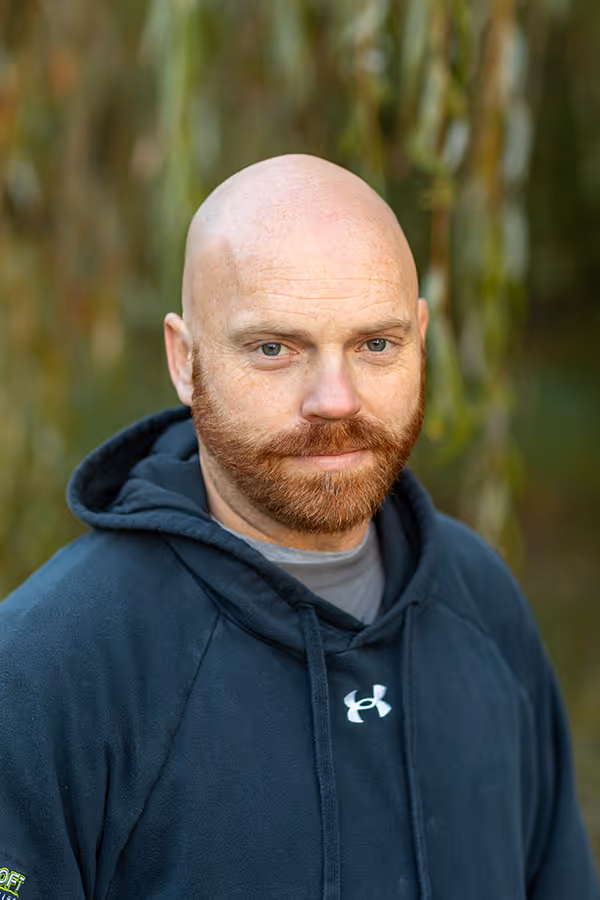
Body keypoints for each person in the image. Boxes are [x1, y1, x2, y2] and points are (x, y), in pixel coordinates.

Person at [0, 154, 597, 900]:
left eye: (376, 345)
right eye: (275, 349)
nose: (336, 399)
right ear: (185, 361)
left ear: (420, 336)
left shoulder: (483, 605)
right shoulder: (43, 671)